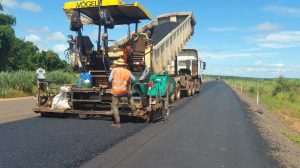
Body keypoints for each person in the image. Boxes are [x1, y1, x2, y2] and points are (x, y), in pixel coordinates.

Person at [109, 58, 135, 128]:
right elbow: (133, 79)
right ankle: (133, 107)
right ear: (124, 65)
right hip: (124, 91)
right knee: (130, 96)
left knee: (114, 106)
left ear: (117, 64)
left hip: (115, 92)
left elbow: (109, 79)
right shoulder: (128, 71)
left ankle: (118, 123)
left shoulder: (114, 70)